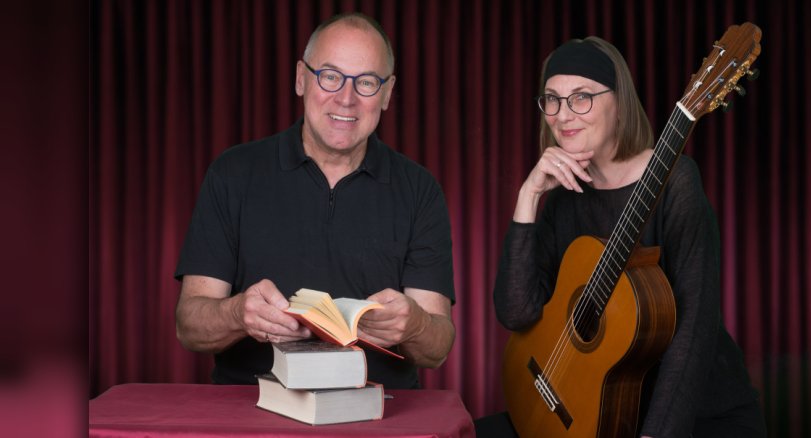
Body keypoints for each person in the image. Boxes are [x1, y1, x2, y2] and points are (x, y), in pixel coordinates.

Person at [483, 37, 766, 437]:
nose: (563, 115)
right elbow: (517, 313)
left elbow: (693, 333)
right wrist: (528, 195)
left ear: (619, 104)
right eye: (552, 99)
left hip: (697, 416)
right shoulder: (565, 197)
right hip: (597, 411)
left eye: (582, 97)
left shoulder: (676, 182)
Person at [174, 12, 456, 390]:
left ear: (387, 94)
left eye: (367, 82)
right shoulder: (233, 173)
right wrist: (238, 314)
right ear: (300, 79)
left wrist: (417, 324)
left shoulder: (420, 189)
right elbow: (189, 326)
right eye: (330, 76)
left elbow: (437, 347)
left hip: (379, 414)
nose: (346, 98)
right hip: (251, 410)